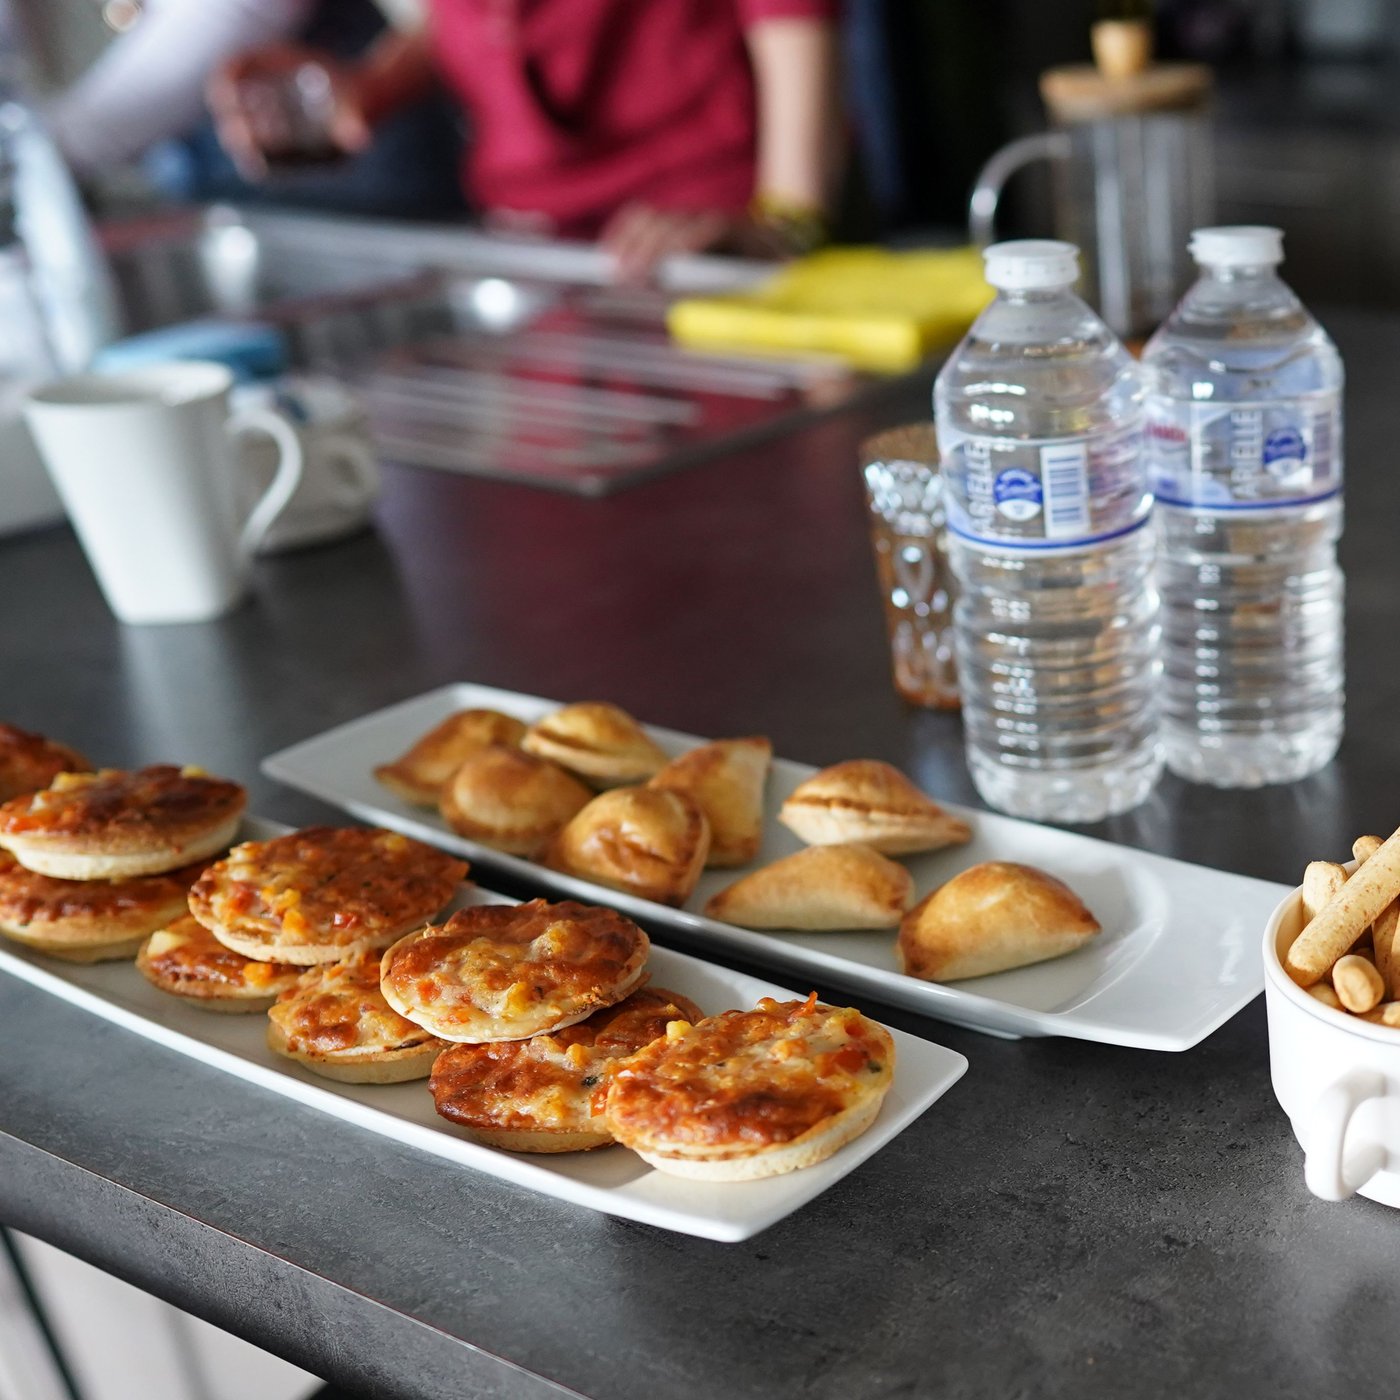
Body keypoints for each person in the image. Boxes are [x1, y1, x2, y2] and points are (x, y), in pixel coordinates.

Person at [208, 0, 842, 279]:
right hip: (531, 260)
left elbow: (792, 27)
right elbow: (466, 21)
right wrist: (370, 87)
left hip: (689, 253)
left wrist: (781, 225)